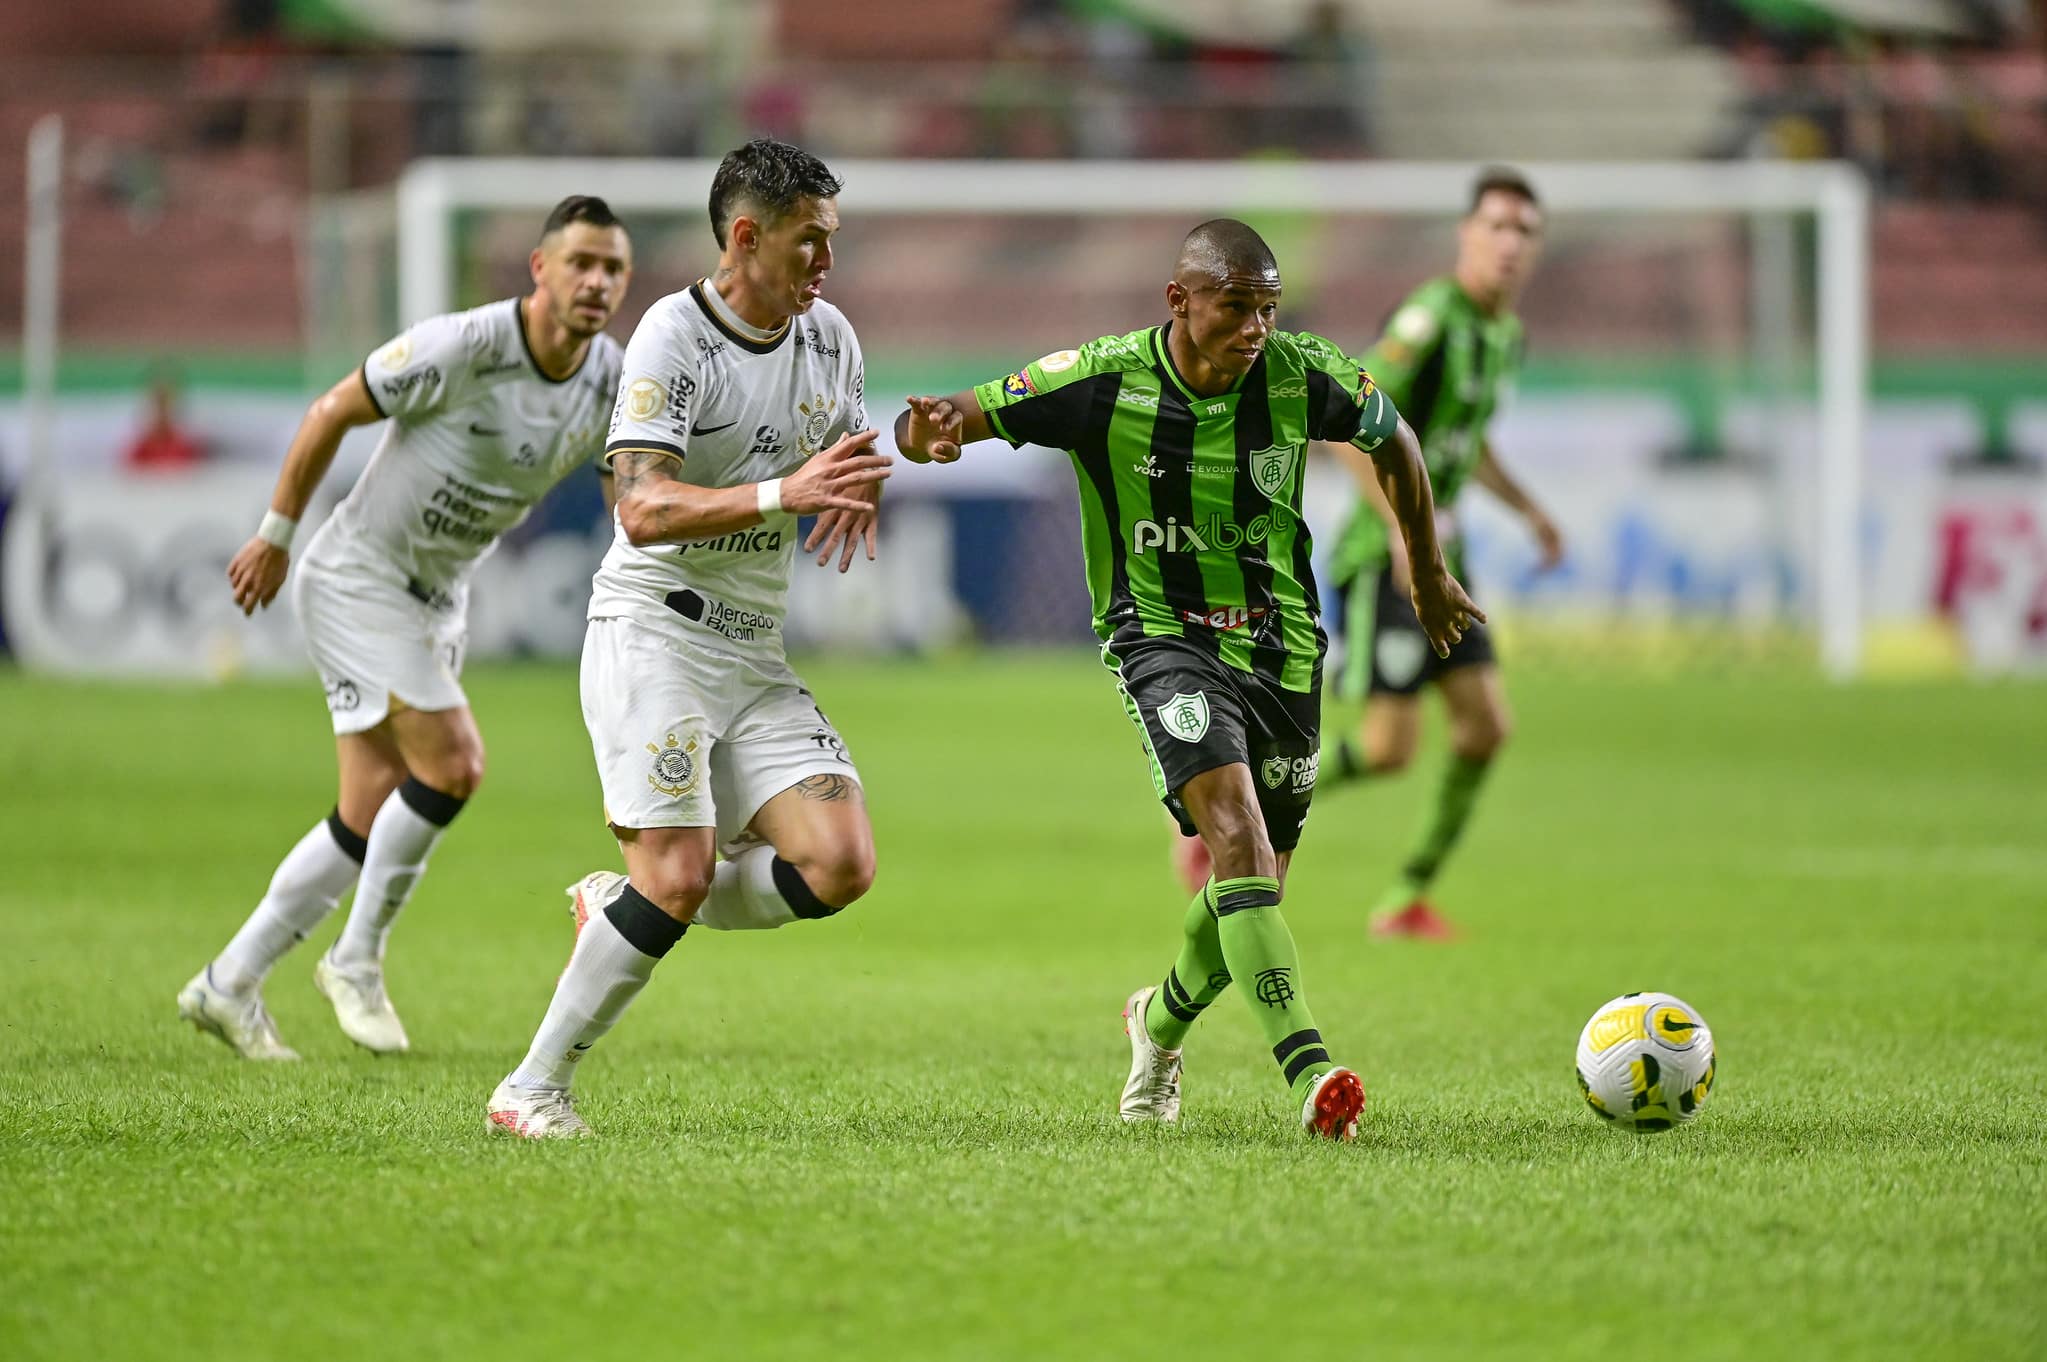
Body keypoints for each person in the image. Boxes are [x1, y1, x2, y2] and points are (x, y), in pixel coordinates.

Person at [893, 219, 1480, 1141]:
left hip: (1282, 643)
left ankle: (1156, 1025)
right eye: (1236, 307)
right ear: (1181, 301)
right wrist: (926, 433)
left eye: (1267, 308)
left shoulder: (1301, 372)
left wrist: (1427, 567)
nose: (1255, 327)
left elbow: (1395, 438)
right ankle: (1310, 1072)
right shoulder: (1103, 378)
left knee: (1258, 885)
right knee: (1237, 842)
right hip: (1159, 635)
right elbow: (950, 417)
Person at [484, 139, 891, 1140]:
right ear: (745, 238)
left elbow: (835, 451)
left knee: (839, 865)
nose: (826, 261)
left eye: (831, 240)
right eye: (808, 241)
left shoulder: (830, 336)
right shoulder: (673, 336)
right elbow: (641, 507)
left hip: (752, 650)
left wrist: (858, 479)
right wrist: (780, 493)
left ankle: (621, 907)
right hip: (653, 634)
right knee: (677, 871)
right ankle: (530, 1089)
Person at [178, 196, 633, 1059]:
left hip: (437, 598)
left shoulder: (610, 376)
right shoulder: (464, 346)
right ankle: (356, 959)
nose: (597, 282)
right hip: (360, 579)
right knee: (454, 763)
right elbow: (330, 411)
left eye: (613, 268)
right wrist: (275, 535)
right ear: (540, 269)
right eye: (580, 262)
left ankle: (228, 982)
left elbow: (626, 492)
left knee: (367, 810)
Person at [1317, 166, 1562, 941]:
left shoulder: (1503, 336)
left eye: (1524, 231)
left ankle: (1403, 900)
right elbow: (1346, 424)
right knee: (1390, 748)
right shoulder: (1429, 317)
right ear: (1466, 234)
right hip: (1386, 554)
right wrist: (1396, 525)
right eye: (1496, 226)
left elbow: (1466, 437)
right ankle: (1228, 810)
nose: (1509, 244)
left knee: (1485, 726)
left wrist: (1529, 511)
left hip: (1440, 556)